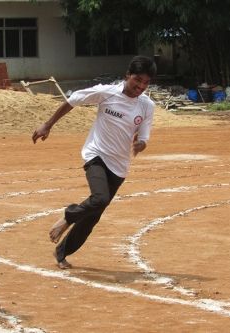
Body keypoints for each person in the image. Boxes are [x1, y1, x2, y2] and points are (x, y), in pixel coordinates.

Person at [32, 55, 157, 269]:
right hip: (96, 155)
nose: (141, 86)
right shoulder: (107, 93)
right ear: (127, 75)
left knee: (92, 217)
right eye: (137, 79)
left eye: (146, 83)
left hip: (120, 166)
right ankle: (67, 217)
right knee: (99, 199)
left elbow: (144, 136)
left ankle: (61, 252)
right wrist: (47, 124)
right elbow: (73, 101)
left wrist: (140, 144)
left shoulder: (147, 106)